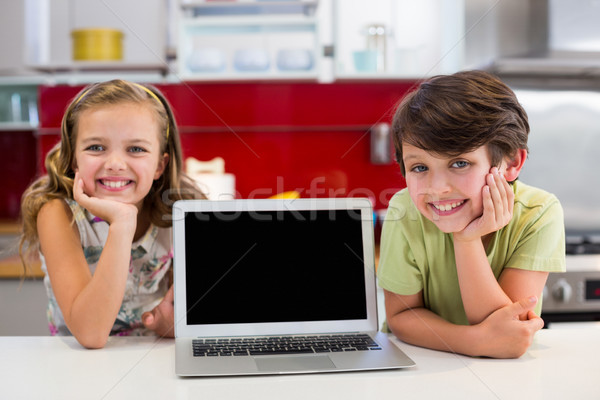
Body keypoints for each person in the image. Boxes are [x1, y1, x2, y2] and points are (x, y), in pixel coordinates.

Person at [378, 70, 566, 359]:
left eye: (460, 163)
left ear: (511, 163)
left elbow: (508, 333)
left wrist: (467, 241)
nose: (437, 189)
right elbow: (401, 316)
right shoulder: (405, 210)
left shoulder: (539, 213)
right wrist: (474, 342)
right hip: (418, 368)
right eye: (419, 168)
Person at [19, 80, 204, 348]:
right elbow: (91, 334)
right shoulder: (58, 213)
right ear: (74, 159)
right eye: (96, 147)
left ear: (159, 166)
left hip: (150, 356)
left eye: (136, 149)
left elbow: (190, 309)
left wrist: (174, 324)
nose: (115, 164)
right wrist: (122, 223)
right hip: (78, 369)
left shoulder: (177, 212)